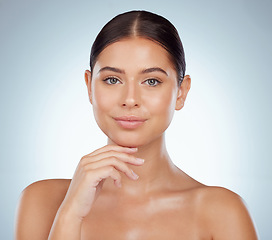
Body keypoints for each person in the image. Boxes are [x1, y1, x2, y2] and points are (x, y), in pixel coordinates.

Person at [15, 10, 258, 240]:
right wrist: (70, 215)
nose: (130, 99)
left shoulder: (222, 211)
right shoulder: (42, 201)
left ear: (181, 93)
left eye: (151, 81)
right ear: (89, 86)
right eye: (112, 79)